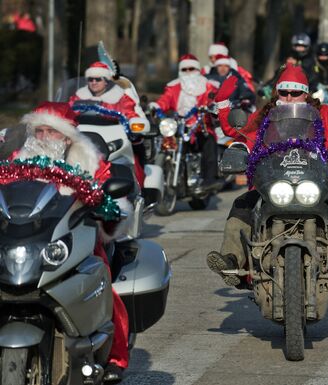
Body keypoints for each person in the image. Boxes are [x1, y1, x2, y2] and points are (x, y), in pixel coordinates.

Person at [206, 48, 328, 287]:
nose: (288, 97)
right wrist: (223, 105)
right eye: (284, 92)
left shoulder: (324, 115)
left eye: (295, 93)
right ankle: (232, 260)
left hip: (319, 183)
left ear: (305, 95)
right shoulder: (264, 118)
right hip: (274, 184)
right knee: (242, 204)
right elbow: (238, 131)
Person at [14, 102, 130, 383]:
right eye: (38, 131)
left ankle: (116, 356)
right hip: (24, 238)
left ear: (66, 136)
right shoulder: (18, 159)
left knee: (102, 283)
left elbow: (109, 200)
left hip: (73, 236)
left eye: (50, 131)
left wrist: (102, 208)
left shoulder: (87, 160)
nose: (43, 137)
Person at [69, 61, 147, 187]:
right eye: (90, 79)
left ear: (106, 80)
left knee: (134, 157)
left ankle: (137, 188)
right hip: (83, 137)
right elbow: (67, 111)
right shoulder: (79, 96)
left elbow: (130, 113)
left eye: (98, 79)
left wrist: (134, 123)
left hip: (112, 139)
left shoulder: (120, 96)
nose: (94, 82)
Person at [150, 54, 220, 190]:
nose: (188, 73)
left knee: (209, 143)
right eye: (185, 69)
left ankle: (210, 179)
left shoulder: (208, 86)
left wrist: (212, 106)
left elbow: (213, 99)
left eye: (191, 69)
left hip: (200, 126)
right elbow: (166, 99)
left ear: (198, 70)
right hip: (179, 126)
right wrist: (157, 106)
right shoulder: (174, 86)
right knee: (165, 143)